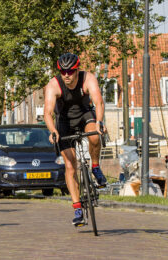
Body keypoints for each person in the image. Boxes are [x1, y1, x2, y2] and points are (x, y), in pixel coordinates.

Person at [43, 53, 108, 227]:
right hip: (64, 122)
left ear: (77, 69)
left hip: (85, 114)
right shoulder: (53, 85)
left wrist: (100, 122)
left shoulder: (88, 79)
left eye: (70, 71)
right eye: (63, 71)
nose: (67, 75)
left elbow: (99, 102)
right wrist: (53, 130)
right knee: (71, 165)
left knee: (94, 135)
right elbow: (48, 113)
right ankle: (77, 208)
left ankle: (95, 167)